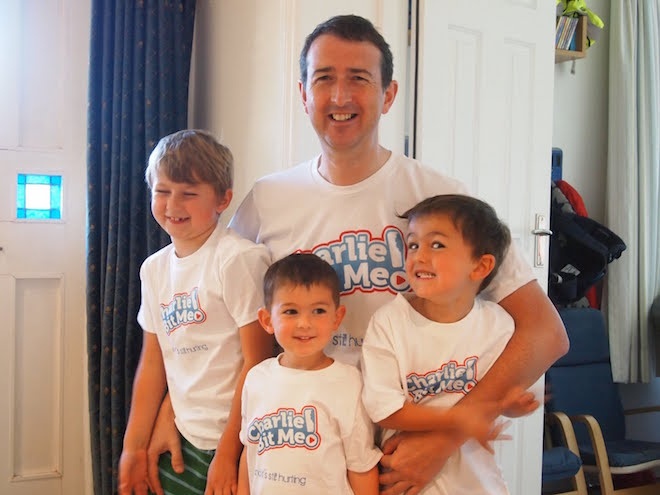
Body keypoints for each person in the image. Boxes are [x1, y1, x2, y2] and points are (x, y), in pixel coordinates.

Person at [147, 14, 569, 495]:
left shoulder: (440, 199)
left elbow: (545, 332)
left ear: (388, 95)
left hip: (410, 457)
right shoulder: (267, 200)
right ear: (303, 93)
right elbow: (219, 317)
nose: (340, 96)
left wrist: (447, 435)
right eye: (324, 78)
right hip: (302, 453)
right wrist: (169, 409)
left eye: (359, 79)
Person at [118, 129, 274, 495]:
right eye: (162, 191)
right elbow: (153, 362)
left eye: (188, 193)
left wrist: (229, 451)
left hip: (237, 438)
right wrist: (133, 446)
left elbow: (258, 362)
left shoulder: (238, 259)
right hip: (183, 436)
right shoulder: (153, 269)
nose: (173, 205)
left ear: (223, 199)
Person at [361, 194, 538, 494]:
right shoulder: (389, 322)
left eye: (437, 245)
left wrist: (511, 406)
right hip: (408, 480)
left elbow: (497, 400)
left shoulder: (498, 326)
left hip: (477, 482)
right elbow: (384, 408)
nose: (419, 256)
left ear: (480, 266)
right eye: (413, 245)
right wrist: (459, 418)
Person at [237, 253, 382, 494]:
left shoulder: (349, 382)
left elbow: (361, 465)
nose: (304, 323)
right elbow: (249, 452)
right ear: (267, 320)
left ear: (337, 317)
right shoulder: (256, 379)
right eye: (291, 312)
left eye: (318, 311)